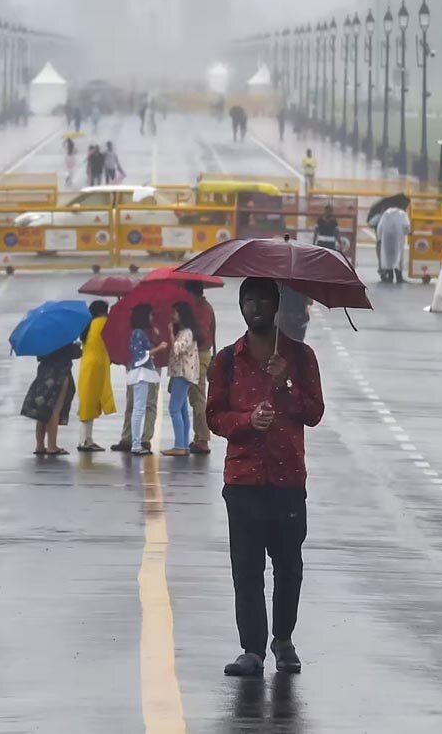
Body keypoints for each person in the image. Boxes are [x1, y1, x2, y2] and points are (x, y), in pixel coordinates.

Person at [207, 277, 324, 677]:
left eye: (262, 300)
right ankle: (252, 649)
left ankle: (284, 640)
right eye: (248, 300)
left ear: (276, 306)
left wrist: (284, 382)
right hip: (242, 481)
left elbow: (314, 413)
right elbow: (214, 417)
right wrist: (246, 421)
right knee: (247, 567)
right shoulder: (225, 360)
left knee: (289, 565)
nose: (254, 307)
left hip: (288, 479)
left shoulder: (301, 358)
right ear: (241, 307)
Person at [122, 304, 168, 456]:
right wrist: (160, 347)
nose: (150, 318)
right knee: (139, 409)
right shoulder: (139, 334)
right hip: (141, 373)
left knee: (138, 408)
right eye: (149, 315)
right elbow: (141, 355)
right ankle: (136, 444)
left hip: (140, 373)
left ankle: (135, 442)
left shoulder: (139, 333)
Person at [21, 340, 81, 456]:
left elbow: (40, 355)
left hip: (44, 372)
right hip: (59, 374)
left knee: (42, 410)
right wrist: (77, 346)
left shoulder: (43, 337)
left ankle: (40, 445)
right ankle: (52, 446)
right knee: (55, 409)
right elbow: (73, 353)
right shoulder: (63, 336)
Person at [77, 301, 116, 453]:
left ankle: (87, 438)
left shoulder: (88, 324)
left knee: (88, 402)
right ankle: (84, 441)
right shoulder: (103, 322)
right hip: (97, 367)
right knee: (91, 403)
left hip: (87, 366)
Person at [165, 301, 201, 457]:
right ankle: (184, 444)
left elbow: (177, 349)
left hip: (183, 374)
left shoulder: (186, 332)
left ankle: (179, 444)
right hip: (180, 373)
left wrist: (170, 333)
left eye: (175, 313)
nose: (173, 316)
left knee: (173, 408)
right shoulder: (185, 331)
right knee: (182, 410)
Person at [187, 280, 216, 455]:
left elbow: (202, 334)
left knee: (198, 398)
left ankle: (203, 439)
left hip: (198, 354)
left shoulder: (201, 309)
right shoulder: (201, 307)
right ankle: (199, 436)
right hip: (198, 354)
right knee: (195, 397)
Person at [376, 204, 411, 283]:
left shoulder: (385, 214)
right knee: (398, 257)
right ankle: (399, 277)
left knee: (388, 257)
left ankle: (390, 276)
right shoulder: (402, 214)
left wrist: (379, 237)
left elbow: (380, 227)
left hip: (387, 240)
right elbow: (407, 226)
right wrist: (406, 232)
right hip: (398, 239)